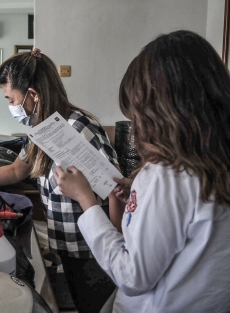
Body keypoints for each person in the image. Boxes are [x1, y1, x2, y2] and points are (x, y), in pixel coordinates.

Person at [54, 30, 230, 313]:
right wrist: (137, 200)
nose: (136, 127)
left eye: (136, 115)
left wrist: (86, 200)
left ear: (160, 112)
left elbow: (132, 276)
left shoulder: (167, 175)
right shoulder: (214, 164)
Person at [0, 49, 124, 313]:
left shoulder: (77, 128)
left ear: (33, 95)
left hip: (92, 247)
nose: (11, 106)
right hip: (68, 243)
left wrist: (116, 247)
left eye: (11, 99)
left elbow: (113, 190)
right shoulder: (44, 129)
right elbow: (16, 171)